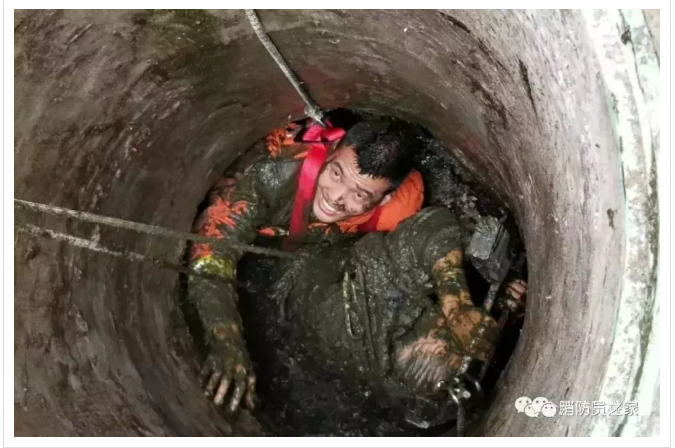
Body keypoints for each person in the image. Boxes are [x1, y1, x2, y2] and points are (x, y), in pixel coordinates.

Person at [188, 113, 426, 410]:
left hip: (316, 250)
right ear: (332, 149)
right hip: (268, 222)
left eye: (360, 194)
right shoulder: (274, 171)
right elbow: (213, 251)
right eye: (336, 174)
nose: (336, 197)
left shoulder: (399, 211)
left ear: (385, 198)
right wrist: (226, 337)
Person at [232, 207, 527, 434]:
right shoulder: (421, 407)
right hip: (309, 299)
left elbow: (433, 224)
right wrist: (493, 311)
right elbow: (432, 228)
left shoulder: (377, 313)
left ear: (434, 347)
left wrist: (458, 307)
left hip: (299, 274)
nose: (443, 319)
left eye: (448, 328)